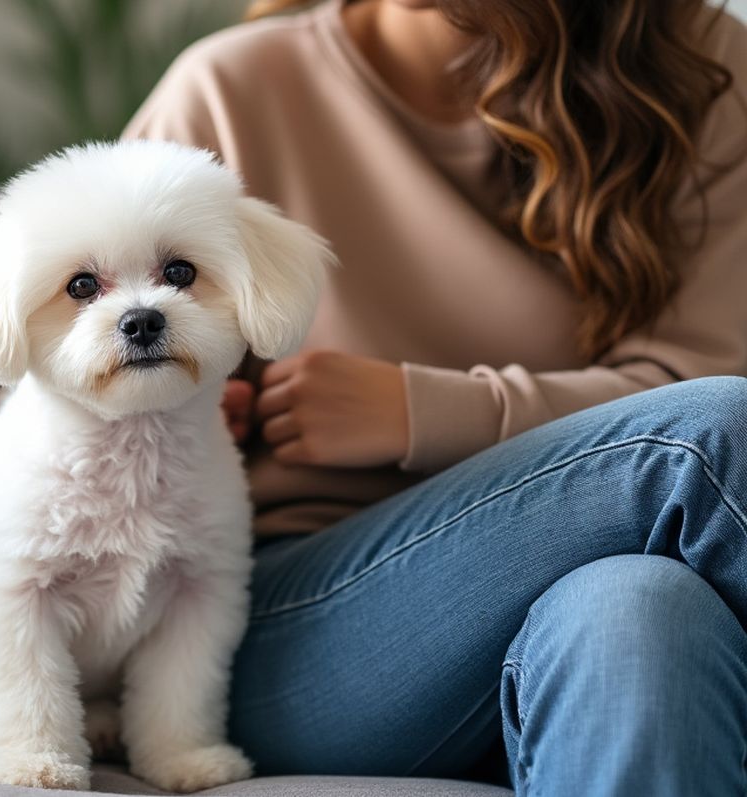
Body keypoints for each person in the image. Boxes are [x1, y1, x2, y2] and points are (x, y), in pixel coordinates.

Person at [121, 0, 747, 794]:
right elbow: (52, 397)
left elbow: (688, 370)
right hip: (295, 618)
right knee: (714, 433)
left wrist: (417, 411)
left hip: (592, 591)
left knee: (642, 612)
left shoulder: (698, 67)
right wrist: (181, 409)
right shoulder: (234, 87)